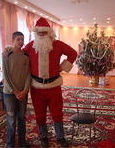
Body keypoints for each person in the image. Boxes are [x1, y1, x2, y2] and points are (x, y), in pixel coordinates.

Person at [23, 17, 77, 147]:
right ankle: (43, 137)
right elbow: (19, 56)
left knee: (57, 113)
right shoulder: (30, 46)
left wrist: (63, 66)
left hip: (54, 86)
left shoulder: (57, 44)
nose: (41, 34)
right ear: (36, 33)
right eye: (39, 32)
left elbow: (73, 53)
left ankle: (60, 137)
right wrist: (10, 50)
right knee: (39, 115)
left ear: (49, 32)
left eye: (44, 32)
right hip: (36, 88)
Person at [2, 31, 31, 148]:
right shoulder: (6, 54)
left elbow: (29, 74)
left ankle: (22, 142)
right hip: (9, 93)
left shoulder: (26, 55)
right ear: (13, 40)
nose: (21, 41)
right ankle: (10, 143)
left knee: (21, 118)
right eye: (18, 39)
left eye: (22, 39)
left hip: (23, 93)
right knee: (11, 119)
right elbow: (6, 75)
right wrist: (15, 92)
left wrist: (25, 91)